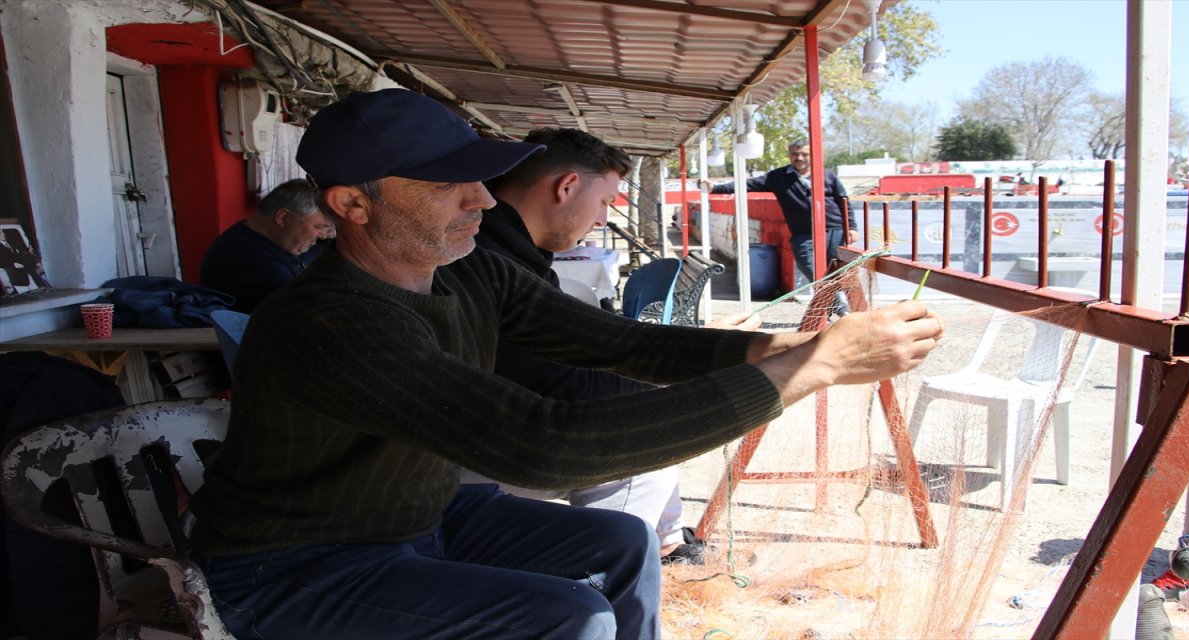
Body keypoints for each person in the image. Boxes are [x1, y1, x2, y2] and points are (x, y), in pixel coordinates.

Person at [187, 88, 943, 639]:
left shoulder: (464, 270)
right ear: (352, 205)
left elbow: (621, 343)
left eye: (480, 178)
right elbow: (544, 447)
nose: (483, 200)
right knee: (569, 616)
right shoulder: (331, 320)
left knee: (621, 541)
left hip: (417, 518)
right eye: (450, 185)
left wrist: (783, 348)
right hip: (294, 565)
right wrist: (804, 374)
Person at [463, 127, 750, 564]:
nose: (601, 220)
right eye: (604, 202)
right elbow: (558, 380)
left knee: (646, 425)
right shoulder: (490, 259)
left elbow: (588, 346)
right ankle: (601, 580)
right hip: (457, 458)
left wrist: (692, 355)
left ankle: (662, 548)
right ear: (567, 186)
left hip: (471, 436)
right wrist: (668, 389)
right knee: (645, 445)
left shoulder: (508, 249)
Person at [710, 139, 856, 285]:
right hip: (803, 232)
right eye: (794, 154)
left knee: (836, 269)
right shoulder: (778, 177)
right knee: (808, 265)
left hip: (834, 229)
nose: (799, 158)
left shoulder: (826, 174)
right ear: (789, 155)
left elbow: (843, 200)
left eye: (804, 154)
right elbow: (748, 184)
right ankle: (833, 300)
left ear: (812, 155)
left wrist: (852, 227)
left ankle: (834, 303)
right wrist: (716, 188)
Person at [199, 178, 333, 312]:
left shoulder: (287, 240)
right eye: (318, 227)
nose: (323, 235)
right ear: (282, 217)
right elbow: (312, 307)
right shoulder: (241, 255)